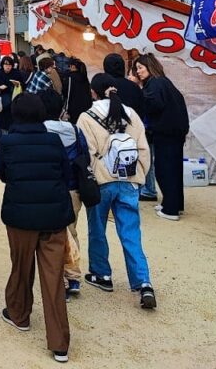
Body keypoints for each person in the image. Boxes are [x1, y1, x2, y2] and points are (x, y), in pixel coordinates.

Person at [0, 93, 74, 363]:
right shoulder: (54, 141)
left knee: (21, 266)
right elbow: (66, 174)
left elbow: (2, 173)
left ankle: (19, 314)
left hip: (20, 215)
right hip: (54, 215)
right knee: (53, 278)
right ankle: (59, 342)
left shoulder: (8, 142)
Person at [77, 73, 157, 310]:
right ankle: (143, 282)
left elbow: (86, 152)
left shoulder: (86, 117)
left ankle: (101, 273)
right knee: (131, 232)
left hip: (102, 182)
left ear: (93, 92)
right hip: (129, 180)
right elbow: (144, 149)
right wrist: (139, 175)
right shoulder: (131, 114)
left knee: (97, 228)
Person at [41, 97, 90, 298]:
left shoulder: (41, 131)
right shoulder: (75, 130)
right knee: (71, 231)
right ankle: (73, 276)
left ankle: (59, 278)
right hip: (73, 188)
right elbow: (85, 155)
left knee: (52, 237)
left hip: (49, 188)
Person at [133, 54, 189, 221]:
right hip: (174, 132)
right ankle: (173, 204)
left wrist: (139, 94)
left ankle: (171, 210)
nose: (138, 72)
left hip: (167, 132)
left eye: (140, 68)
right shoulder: (163, 82)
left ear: (150, 67)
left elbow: (154, 104)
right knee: (173, 170)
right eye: (136, 69)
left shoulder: (155, 84)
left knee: (166, 170)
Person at [103, 54, 155, 201]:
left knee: (112, 161)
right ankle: (144, 189)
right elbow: (142, 109)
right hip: (133, 131)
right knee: (139, 159)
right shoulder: (134, 87)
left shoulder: (106, 86)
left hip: (111, 133)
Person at [0, 55, 25, 133]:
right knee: (2, 122)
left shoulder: (16, 73)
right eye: (6, 64)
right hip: (2, 101)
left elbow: (23, 84)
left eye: (10, 65)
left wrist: (18, 84)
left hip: (14, 99)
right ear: (2, 65)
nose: (8, 67)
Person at [62, 58, 92, 125]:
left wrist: (66, 110)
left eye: (69, 66)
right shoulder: (84, 76)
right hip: (86, 107)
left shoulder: (69, 78)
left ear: (73, 66)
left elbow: (67, 94)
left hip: (74, 109)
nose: (69, 68)